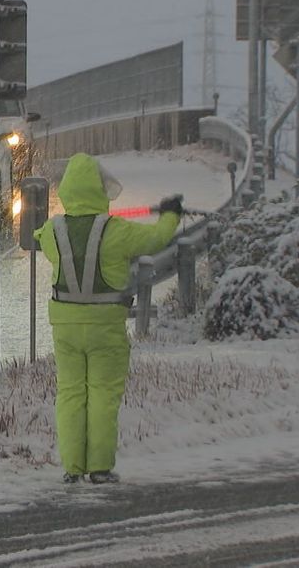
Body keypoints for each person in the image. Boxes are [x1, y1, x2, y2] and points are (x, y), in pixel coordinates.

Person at [32, 153, 182, 485]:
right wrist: (170, 215)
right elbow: (157, 240)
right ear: (100, 189)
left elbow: (39, 237)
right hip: (106, 328)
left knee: (70, 393)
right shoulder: (115, 230)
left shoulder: (53, 231)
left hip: (66, 327)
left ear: (68, 189)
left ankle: (72, 467)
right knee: (102, 394)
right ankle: (99, 468)